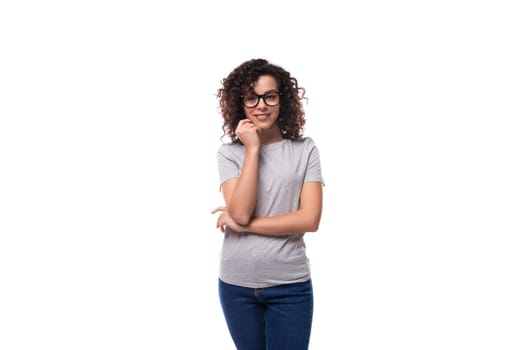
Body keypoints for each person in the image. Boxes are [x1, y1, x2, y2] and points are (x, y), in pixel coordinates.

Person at [211, 58, 324, 350]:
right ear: (241, 104)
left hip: (290, 286)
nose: (261, 105)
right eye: (252, 97)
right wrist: (253, 148)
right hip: (236, 286)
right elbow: (241, 211)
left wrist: (243, 225)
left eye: (269, 96)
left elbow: (309, 219)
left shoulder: (304, 150)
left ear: (282, 100)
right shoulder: (229, 154)